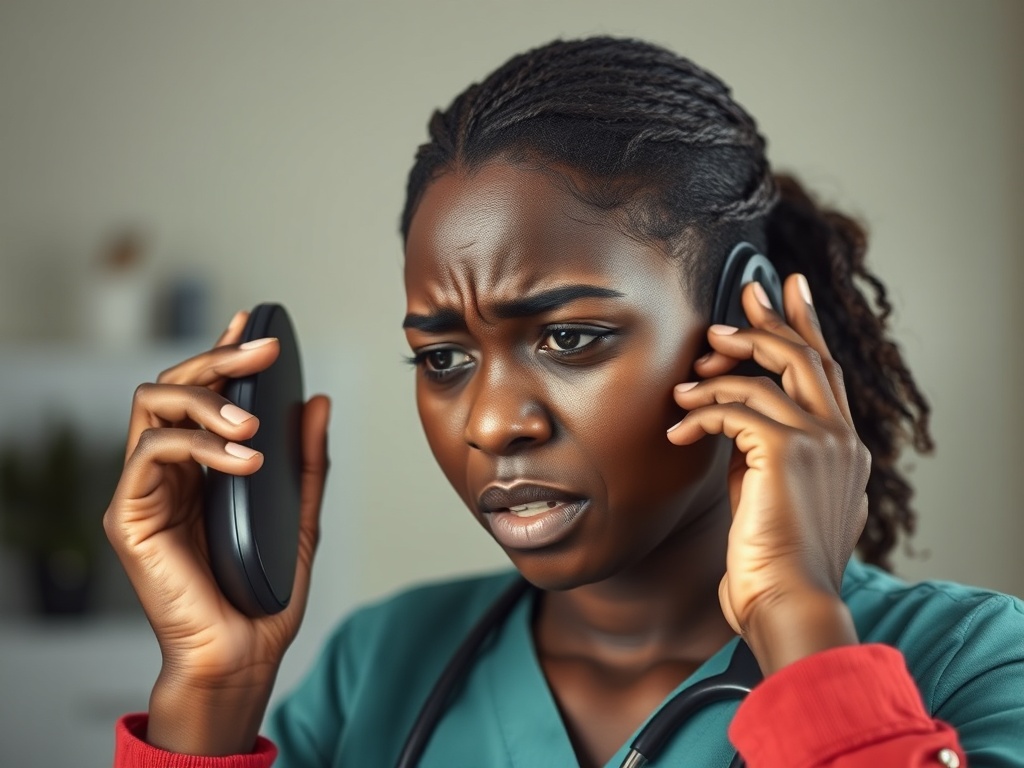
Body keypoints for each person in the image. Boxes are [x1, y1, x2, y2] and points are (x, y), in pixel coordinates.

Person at [106, 37, 1023, 767]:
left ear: (745, 321)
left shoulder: (973, 661)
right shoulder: (378, 666)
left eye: (569, 339)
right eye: (444, 357)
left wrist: (798, 622)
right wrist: (213, 689)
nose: (492, 422)